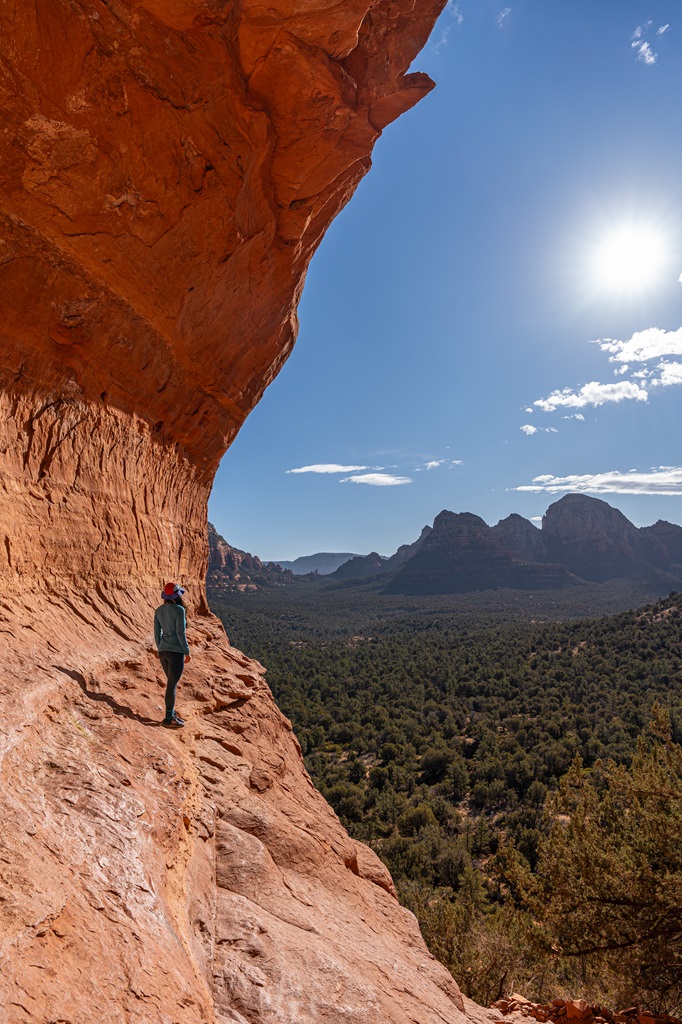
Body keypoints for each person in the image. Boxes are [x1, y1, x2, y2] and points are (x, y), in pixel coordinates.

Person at [154, 582, 191, 728]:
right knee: (171, 685)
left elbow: (157, 633)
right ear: (177, 595)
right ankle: (169, 718)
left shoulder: (158, 610)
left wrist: (160, 648)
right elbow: (180, 633)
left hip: (163, 651)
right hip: (176, 652)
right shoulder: (179, 610)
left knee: (171, 683)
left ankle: (172, 713)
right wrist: (186, 651)